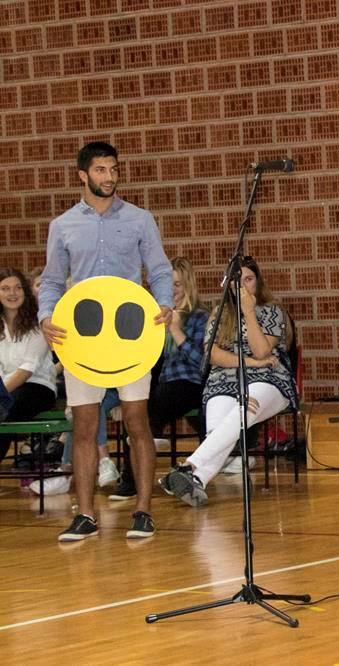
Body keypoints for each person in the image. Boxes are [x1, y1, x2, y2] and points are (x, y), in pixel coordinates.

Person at [39, 141, 173, 542]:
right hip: (82, 338)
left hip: (131, 334)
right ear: (83, 175)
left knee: (136, 419)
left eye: (113, 169)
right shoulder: (62, 225)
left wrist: (165, 303)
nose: (109, 177)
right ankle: (85, 516)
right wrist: (45, 317)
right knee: (84, 424)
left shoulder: (140, 219)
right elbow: (52, 281)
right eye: (101, 170)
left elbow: (160, 270)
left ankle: (143, 511)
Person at [159, 256, 295, 507]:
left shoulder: (272, 311)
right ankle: (197, 480)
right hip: (224, 378)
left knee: (243, 409)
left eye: (249, 279)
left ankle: (189, 466)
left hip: (267, 379)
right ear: (229, 286)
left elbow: (262, 351)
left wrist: (249, 312)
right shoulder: (219, 314)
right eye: (238, 282)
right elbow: (212, 355)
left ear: (258, 281)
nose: (244, 286)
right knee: (217, 430)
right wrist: (250, 363)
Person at [109, 256, 208, 500]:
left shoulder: (200, 317)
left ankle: (134, 476)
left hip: (190, 382)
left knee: (148, 412)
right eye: (167, 285)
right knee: (135, 411)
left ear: (188, 286)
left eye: (177, 284)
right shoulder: (155, 319)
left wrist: (176, 330)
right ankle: (138, 464)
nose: (172, 291)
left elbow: (202, 361)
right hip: (165, 382)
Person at [0, 268, 58, 461]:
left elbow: (27, 369)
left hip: (38, 388)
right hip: (7, 388)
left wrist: (2, 393)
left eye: (17, 288)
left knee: (8, 408)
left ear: (25, 292)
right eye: (5, 288)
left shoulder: (38, 323)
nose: (12, 293)